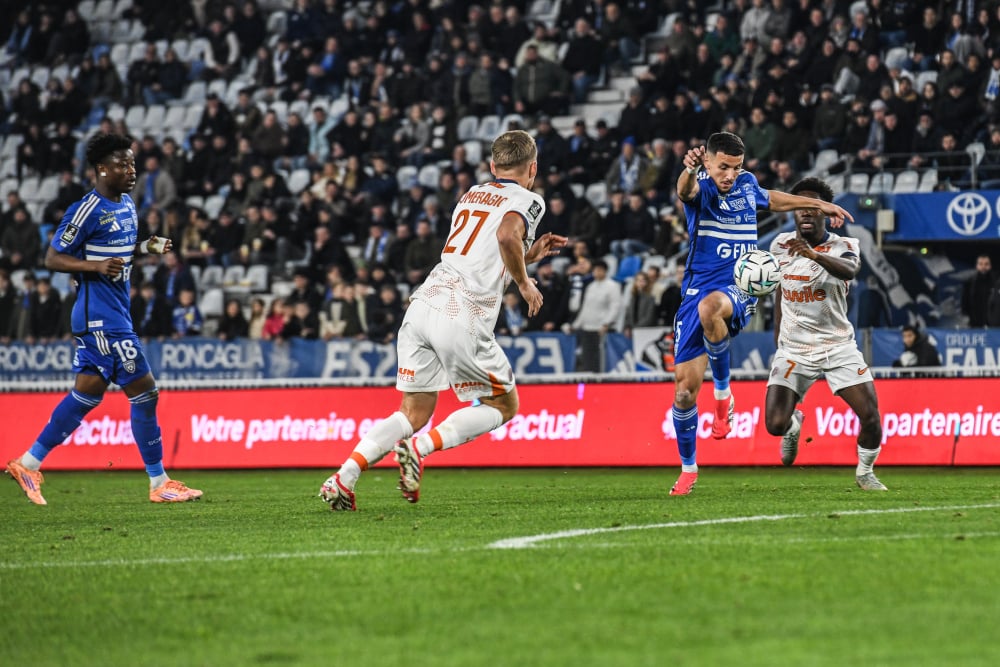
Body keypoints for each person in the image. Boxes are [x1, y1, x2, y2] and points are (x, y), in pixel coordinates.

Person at [319, 130, 567, 510]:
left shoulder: (471, 194)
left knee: (412, 411)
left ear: (491, 167)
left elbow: (485, 251)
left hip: (424, 304)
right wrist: (525, 282)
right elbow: (504, 236)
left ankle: (344, 478)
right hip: (463, 314)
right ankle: (418, 449)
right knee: (504, 406)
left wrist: (528, 255)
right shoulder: (529, 199)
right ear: (533, 168)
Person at [4, 133, 202, 505]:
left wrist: (146, 247)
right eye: (123, 164)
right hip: (101, 317)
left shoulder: (127, 204)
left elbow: (120, 252)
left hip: (113, 312)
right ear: (100, 169)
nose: (131, 170)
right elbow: (52, 258)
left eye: (132, 163)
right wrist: (92, 265)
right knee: (145, 391)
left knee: (86, 394)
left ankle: (28, 462)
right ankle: (159, 483)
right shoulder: (86, 208)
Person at [668, 132, 852, 496]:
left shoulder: (747, 185)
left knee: (712, 309)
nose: (731, 175)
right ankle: (689, 470)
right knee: (684, 394)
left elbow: (774, 199)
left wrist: (818, 206)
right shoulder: (702, 187)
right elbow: (684, 191)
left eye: (736, 168)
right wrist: (688, 171)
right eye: (723, 167)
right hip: (696, 289)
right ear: (707, 161)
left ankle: (723, 394)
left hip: (740, 284)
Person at [765, 178, 886, 491]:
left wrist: (812, 255)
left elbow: (850, 271)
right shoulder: (779, 245)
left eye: (812, 207)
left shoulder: (844, 246)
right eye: (799, 207)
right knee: (774, 424)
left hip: (837, 347)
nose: (805, 212)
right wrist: (779, 342)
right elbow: (779, 293)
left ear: (824, 213)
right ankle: (794, 426)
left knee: (871, 417)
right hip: (793, 350)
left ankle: (865, 472)